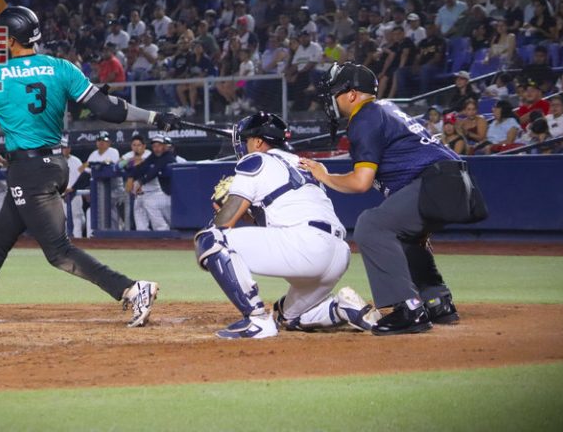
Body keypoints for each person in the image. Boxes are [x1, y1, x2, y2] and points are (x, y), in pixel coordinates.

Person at [0, 6, 181, 330]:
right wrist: (154, 117)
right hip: (54, 164)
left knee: (58, 251)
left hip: (28, 170)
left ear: (11, 40)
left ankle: (131, 289)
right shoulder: (61, 67)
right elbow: (107, 109)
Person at [301, 63, 487, 335]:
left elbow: (361, 182)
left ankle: (408, 309)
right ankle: (437, 302)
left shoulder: (364, 117)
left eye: (335, 93)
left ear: (351, 94)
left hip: (436, 183)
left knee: (371, 226)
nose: (332, 100)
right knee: (403, 234)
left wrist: (325, 176)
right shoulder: (386, 109)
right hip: (457, 181)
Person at [194, 111, 380, 339]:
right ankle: (343, 309)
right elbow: (278, 222)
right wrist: (248, 214)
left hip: (305, 245)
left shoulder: (255, 160)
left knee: (209, 239)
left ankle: (256, 320)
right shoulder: (302, 164)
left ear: (258, 142)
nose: (244, 145)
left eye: (247, 140)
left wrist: (222, 207)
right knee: (289, 316)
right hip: (337, 254)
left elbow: (223, 225)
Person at [130, 135, 174, 231]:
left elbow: (154, 171)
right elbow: (142, 167)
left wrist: (140, 182)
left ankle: (163, 230)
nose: (156, 148)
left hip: (175, 197)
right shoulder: (154, 156)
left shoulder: (168, 157)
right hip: (166, 195)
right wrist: (132, 171)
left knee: (150, 203)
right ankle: (161, 230)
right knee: (147, 202)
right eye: (154, 146)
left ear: (165, 146)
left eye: (159, 145)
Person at [59, 138, 85, 238]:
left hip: (74, 193)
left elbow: (82, 177)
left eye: (66, 147)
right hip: (59, 195)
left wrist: (73, 188)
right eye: (63, 148)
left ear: (70, 148)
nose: (65, 150)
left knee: (77, 218)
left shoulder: (76, 161)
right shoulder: (54, 161)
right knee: (61, 220)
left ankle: (78, 239)